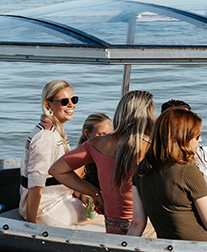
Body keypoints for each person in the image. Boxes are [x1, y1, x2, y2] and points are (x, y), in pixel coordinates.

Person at [51, 89, 156, 235]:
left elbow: (57, 170)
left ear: (120, 113)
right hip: (146, 222)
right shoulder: (155, 147)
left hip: (114, 224)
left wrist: (94, 193)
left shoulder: (97, 143)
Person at [135, 108, 207, 244]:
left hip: (170, 248)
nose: (200, 140)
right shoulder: (188, 172)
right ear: (183, 138)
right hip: (203, 249)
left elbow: (137, 223)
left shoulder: (141, 169)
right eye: (197, 136)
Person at [19, 80, 94, 226]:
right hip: (46, 209)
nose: (71, 105)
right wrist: (30, 226)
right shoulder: (46, 137)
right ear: (48, 104)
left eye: (74, 100)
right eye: (64, 101)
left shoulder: (56, 131)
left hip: (57, 199)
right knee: (101, 217)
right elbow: (36, 184)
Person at [75, 112, 113, 196]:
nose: (107, 139)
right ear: (87, 134)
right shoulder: (81, 159)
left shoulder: (113, 156)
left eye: (110, 134)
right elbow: (73, 188)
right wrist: (85, 195)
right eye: (101, 134)